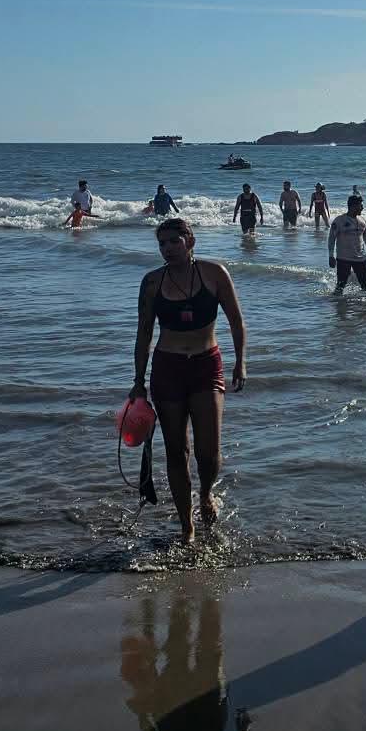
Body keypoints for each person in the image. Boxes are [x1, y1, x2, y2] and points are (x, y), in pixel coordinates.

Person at [130, 217, 246, 542]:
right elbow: (144, 333)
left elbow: (236, 320)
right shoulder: (152, 282)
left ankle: (206, 492)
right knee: (176, 451)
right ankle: (186, 525)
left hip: (207, 366)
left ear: (190, 241)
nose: (167, 249)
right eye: (162, 243)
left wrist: (241, 363)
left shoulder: (214, 273)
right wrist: (138, 381)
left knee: (208, 452)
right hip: (167, 368)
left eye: (173, 241)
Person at [327, 195, 366, 293]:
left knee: (365, 286)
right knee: (340, 286)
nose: (362, 208)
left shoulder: (363, 220)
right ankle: (339, 306)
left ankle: (364, 307)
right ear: (353, 206)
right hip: (343, 259)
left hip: (361, 258)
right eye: (360, 205)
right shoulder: (339, 220)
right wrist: (331, 255)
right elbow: (331, 238)